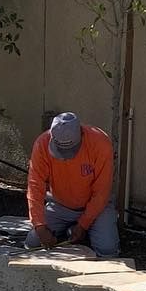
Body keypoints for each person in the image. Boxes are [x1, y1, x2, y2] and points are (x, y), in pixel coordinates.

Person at [25, 111, 119, 258]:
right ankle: (71, 230)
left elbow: (102, 191)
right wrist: (40, 226)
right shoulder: (41, 144)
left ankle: (85, 231)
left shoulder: (100, 142)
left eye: (69, 152)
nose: (64, 158)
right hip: (60, 205)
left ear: (81, 135)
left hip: (98, 207)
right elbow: (34, 187)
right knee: (33, 243)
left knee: (107, 250)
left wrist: (83, 224)